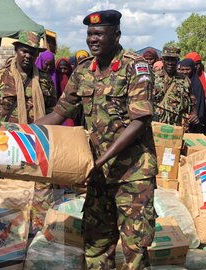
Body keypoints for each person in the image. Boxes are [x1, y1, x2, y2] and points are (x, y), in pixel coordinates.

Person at [36, 10, 158, 269]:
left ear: (116, 35)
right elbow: (59, 113)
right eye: (90, 33)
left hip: (133, 174)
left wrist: (100, 160)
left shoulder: (135, 67)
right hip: (98, 174)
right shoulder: (83, 71)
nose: (92, 39)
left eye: (99, 33)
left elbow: (140, 120)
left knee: (135, 248)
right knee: (96, 245)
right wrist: (19, 135)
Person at [0, 31, 58, 236]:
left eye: (33, 53)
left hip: (39, 146)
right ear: (16, 50)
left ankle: (36, 246)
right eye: (25, 51)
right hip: (9, 149)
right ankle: (10, 245)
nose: (28, 56)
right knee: (10, 203)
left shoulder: (44, 80)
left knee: (41, 201)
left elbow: (54, 114)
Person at [153, 46, 198, 128]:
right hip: (156, 125)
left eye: (173, 59)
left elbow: (192, 100)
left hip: (178, 127)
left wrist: (194, 114)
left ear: (178, 61)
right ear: (162, 59)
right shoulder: (153, 77)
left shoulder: (185, 79)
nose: (170, 62)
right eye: (167, 59)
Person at [179, 58, 206, 133]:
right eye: (182, 69)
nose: (185, 72)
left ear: (193, 69)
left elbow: (199, 106)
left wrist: (195, 117)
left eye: (187, 69)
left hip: (193, 122)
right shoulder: (179, 82)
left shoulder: (196, 85)